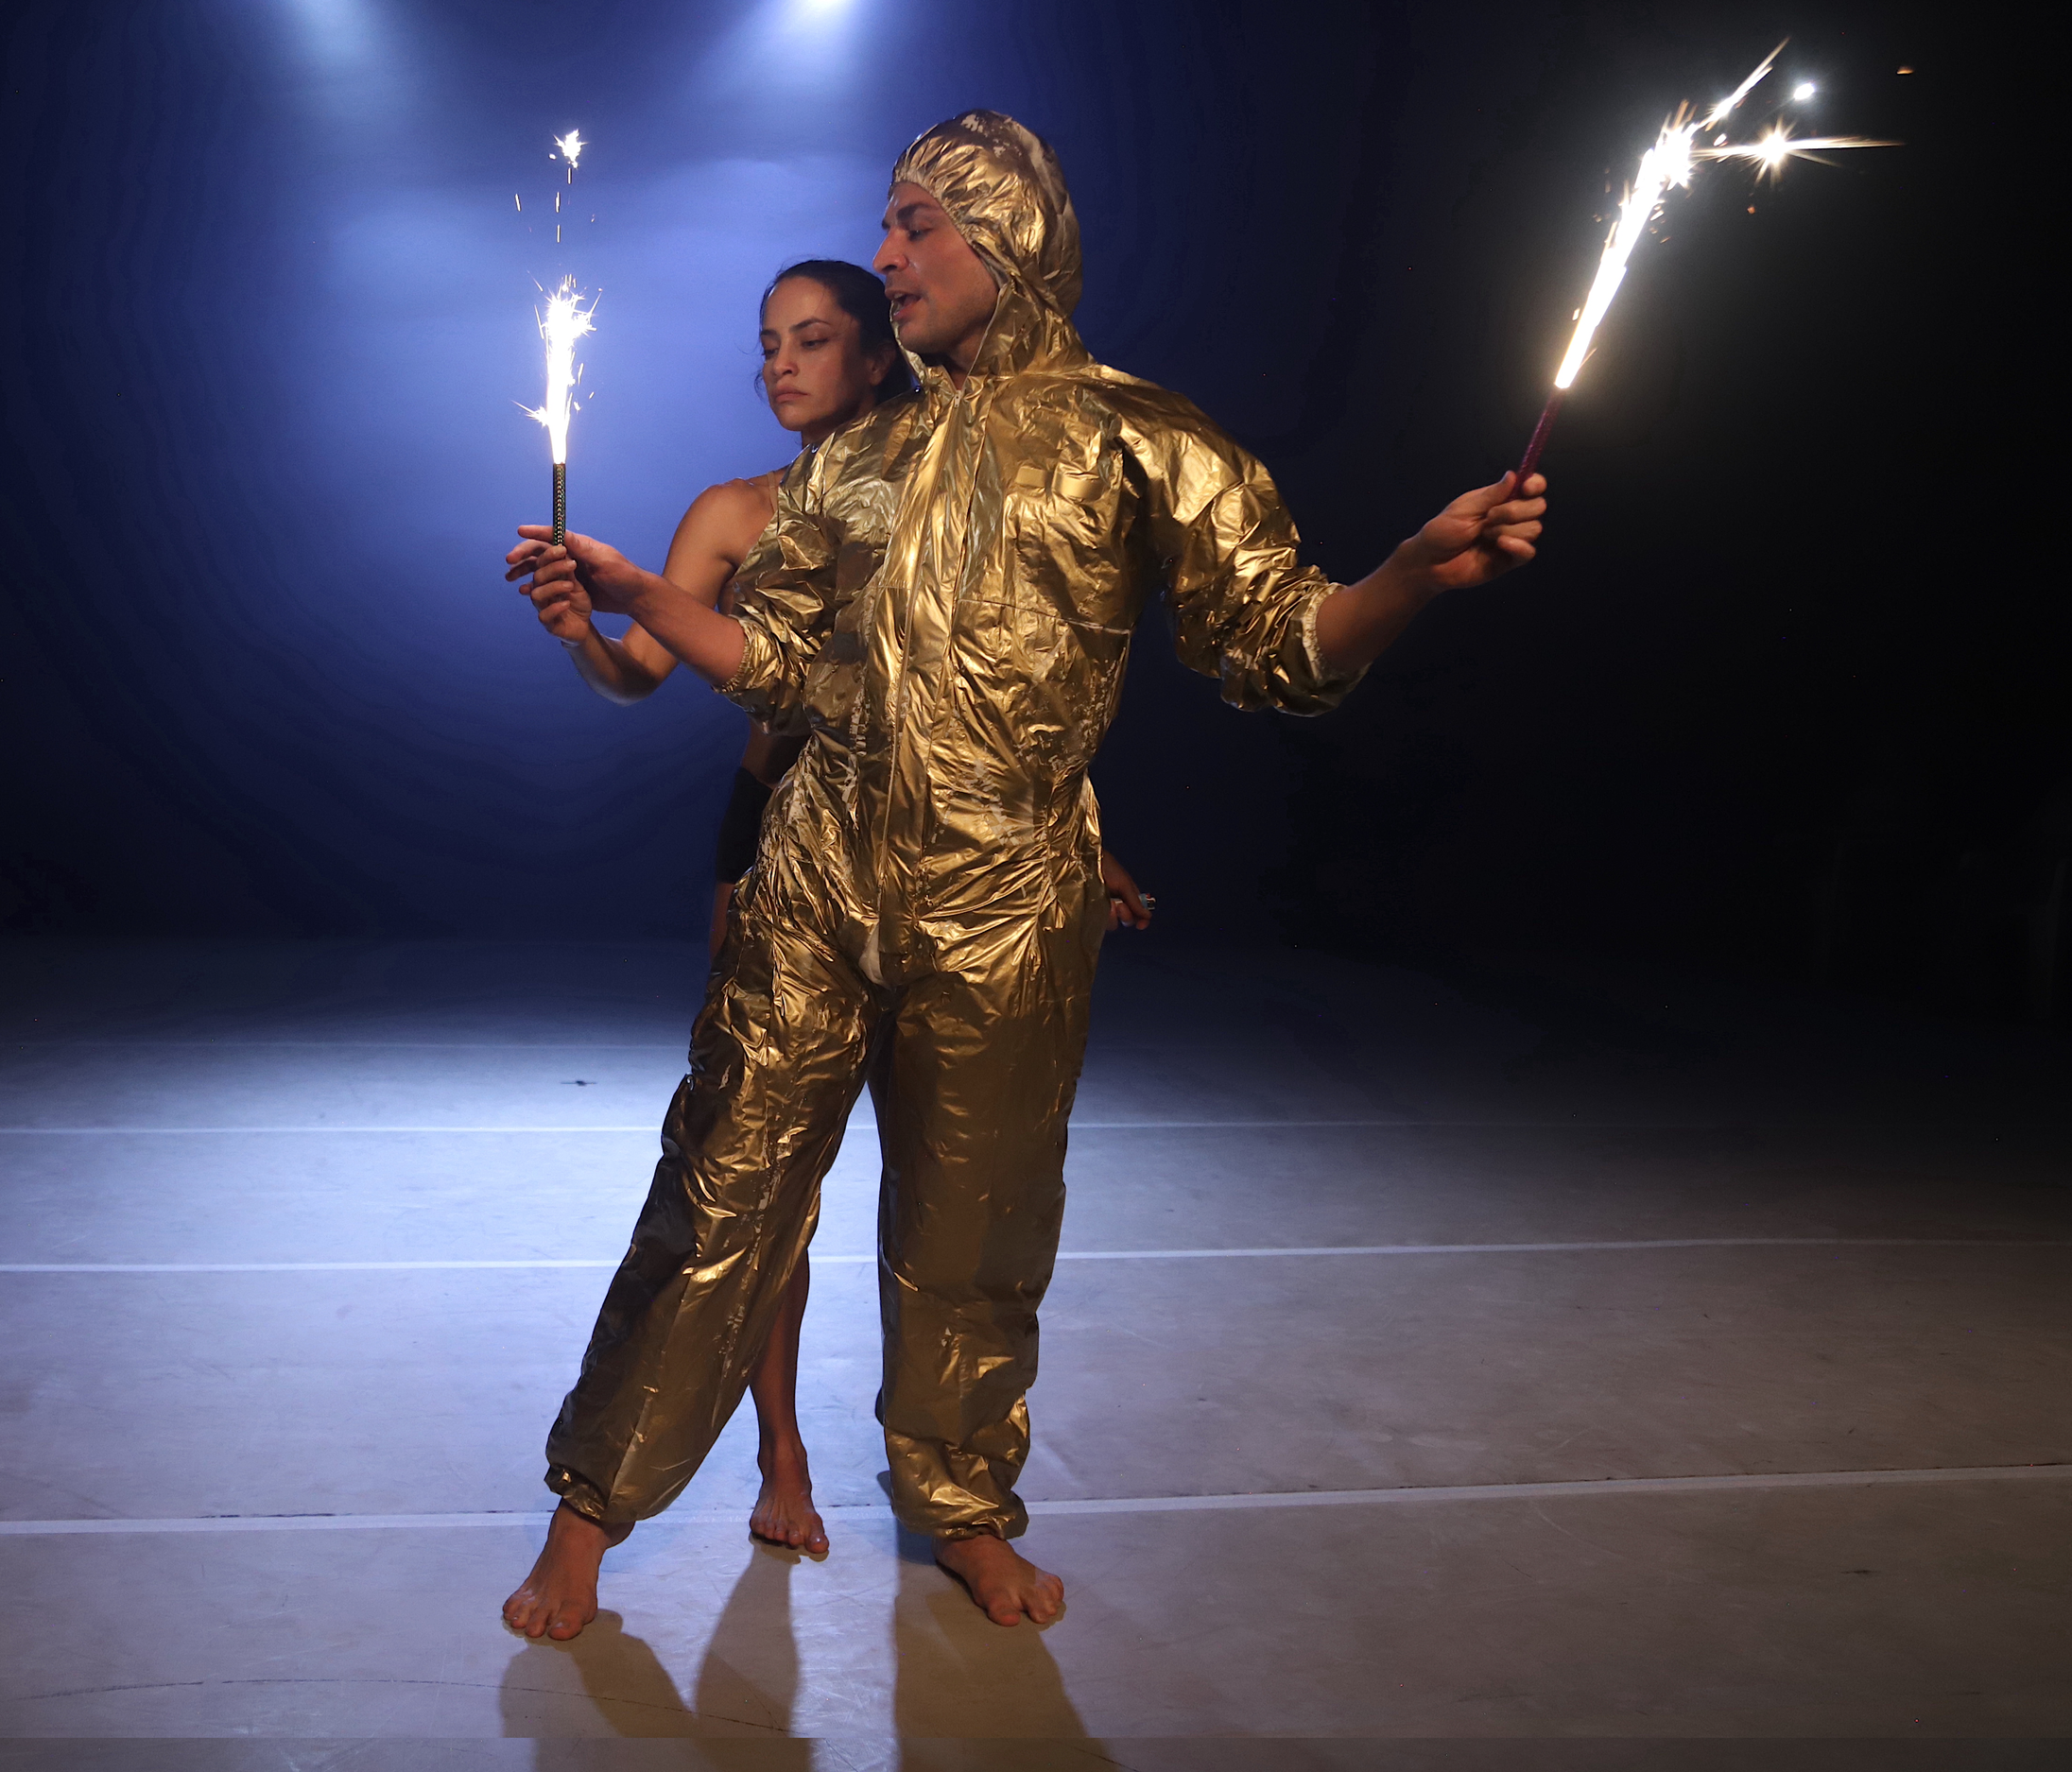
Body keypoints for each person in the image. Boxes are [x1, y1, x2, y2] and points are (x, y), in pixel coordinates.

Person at [502, 112, 1546, 1639]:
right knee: (718, 1187)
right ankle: (587, 1513)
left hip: (1008, 907)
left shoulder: (1142, 441)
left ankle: (964, 1504)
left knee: (974, 1227)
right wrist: (637, 594)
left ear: (1010, 233)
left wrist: (1404, 576)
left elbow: (1279, 645)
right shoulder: (858, 457)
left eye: (916, 223)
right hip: (816, 879)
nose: (886, 254)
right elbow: (782, 663)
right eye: (887, 224)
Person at [525, 259, 1156, 1562]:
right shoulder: (735, 511)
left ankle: (942, 1478)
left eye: (812, 339)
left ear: (880, 357)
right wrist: (581, 627)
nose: (781, 364)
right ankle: (779, 1449)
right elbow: (636, 673)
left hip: (964, 861)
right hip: (782, 838)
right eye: (768, 343)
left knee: (952, 1182)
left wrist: (1080, 840)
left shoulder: (953, 490)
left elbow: (1008, 692)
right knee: (757, 1166)